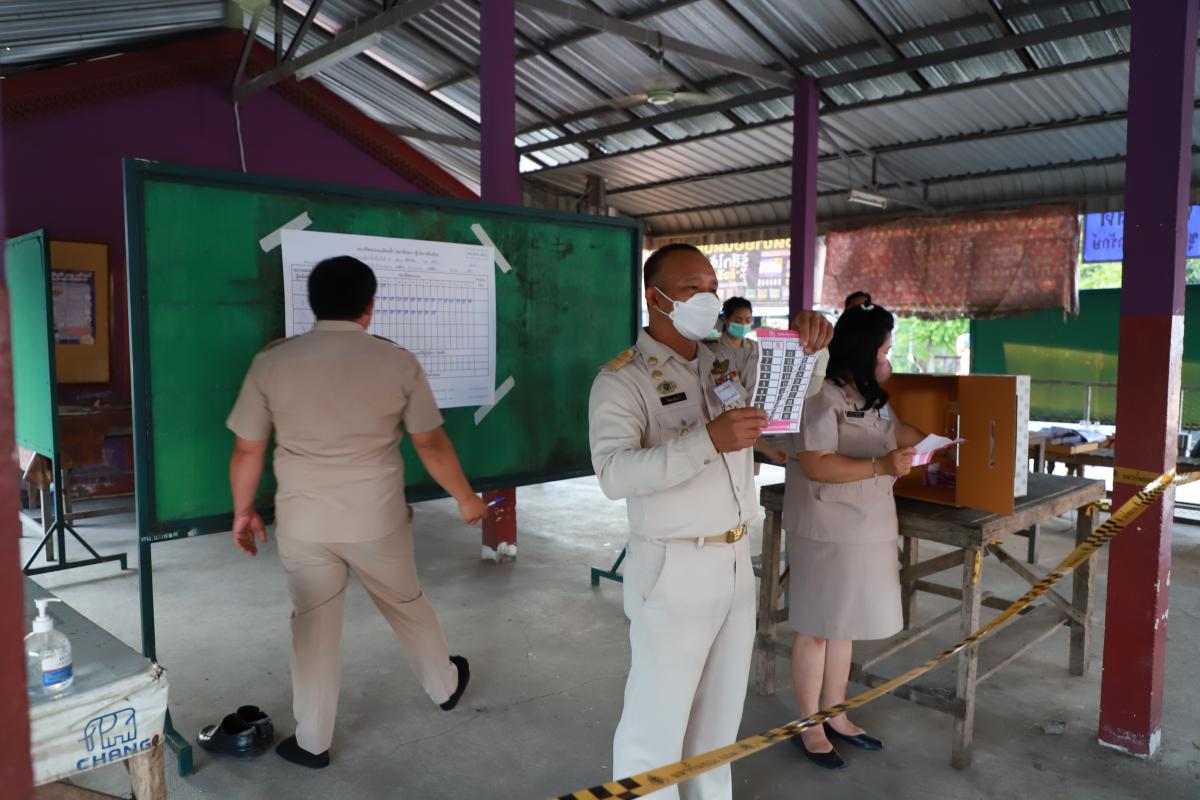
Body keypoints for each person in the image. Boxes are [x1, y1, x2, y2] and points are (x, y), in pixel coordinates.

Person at [589, 243, 833, 800]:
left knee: (719, 719)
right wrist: (707, 442)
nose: (708, 298)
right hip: (673, 564)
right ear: (656, 297)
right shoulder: (623, 379)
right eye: (692, 288)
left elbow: (800, 386)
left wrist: (811, 343)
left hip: (735, 557)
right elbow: (614, 474)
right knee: (658, 719)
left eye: (712, 287)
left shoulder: (724, 359)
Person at [225, 256, 489, 769]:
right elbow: (430, 443)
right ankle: (444, 686)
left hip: (305, 524)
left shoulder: (272, 362)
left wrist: (243, 512)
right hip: (376, 520)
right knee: (406, 603)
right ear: (369, 306)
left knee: (313, 625)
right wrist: (464, 497)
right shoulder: (397, 362)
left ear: (313, 303)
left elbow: (246, 450)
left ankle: (312, 741)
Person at [781, 302, 924, 770]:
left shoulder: (870, 395)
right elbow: (817, 463)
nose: (887, 360)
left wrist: (932, 440)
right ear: (864, 351)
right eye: (884, 351)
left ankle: (836, 714)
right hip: (826, 530)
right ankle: (809, 725)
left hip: (867, 527)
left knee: (843, 626)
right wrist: (883, 465)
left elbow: (897, 432)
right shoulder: (820, 396)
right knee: (817, 627)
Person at [707, 296, 787, 466]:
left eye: (747, 320)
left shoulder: (755, 348)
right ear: (725, 319)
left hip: (757, 421)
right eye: (738, 320)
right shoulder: (713, 349)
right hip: (724, 418)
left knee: (749, 472)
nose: (743, 324)